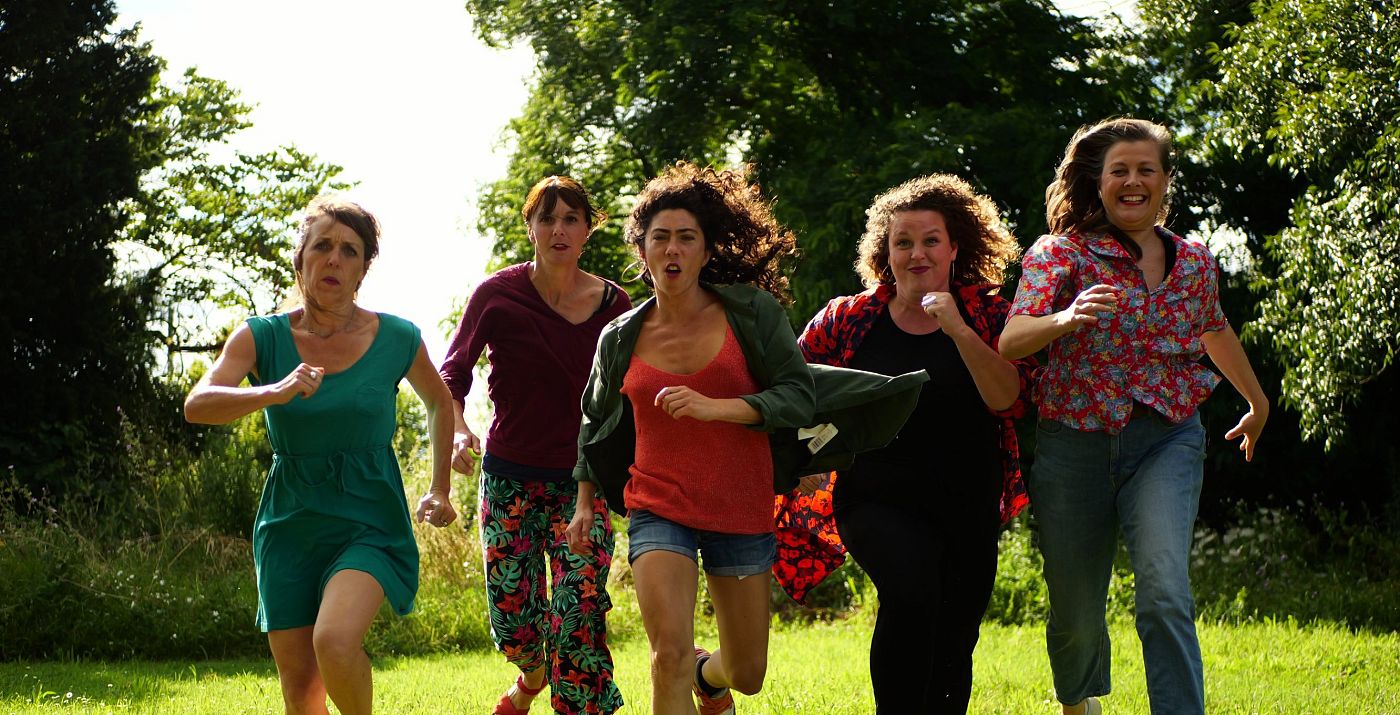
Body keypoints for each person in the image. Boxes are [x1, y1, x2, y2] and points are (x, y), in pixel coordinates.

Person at [999, 118, 1269, 715]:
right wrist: (1065, 318)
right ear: (1097, 183)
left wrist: (1258, 401)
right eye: (1119, 170)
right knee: (1075, 608)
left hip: (1166, 438)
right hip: (1075, 444)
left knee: (1165, 590)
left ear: (1165, 180)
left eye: (1146, 169)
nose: (1133, 181)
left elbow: (1213, 327)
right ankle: (1079, 703)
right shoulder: (1060, 254)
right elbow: (1012, 339)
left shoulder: (1194, 260)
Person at [771, 174, 1035, 714]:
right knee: (912, 595)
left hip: (968, 500)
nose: (917, 254)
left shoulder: (989, 315)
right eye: (903, 242)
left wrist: (957, 328)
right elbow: (791, 387)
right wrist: (804, 455)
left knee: (956, 633)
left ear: (955, 247)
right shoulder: (849, 318)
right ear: (884, 252)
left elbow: (1008, 399)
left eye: (931, 240)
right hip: (874, 498)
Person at [183, 196, 456, 715]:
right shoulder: (261, 337)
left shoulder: (397, 337)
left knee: (334, 640)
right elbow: (198, 405)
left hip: (369, 520)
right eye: (322, 246)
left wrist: (439, 488)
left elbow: (440, 403)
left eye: (350, 251)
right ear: (300, 258)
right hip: (290, 523)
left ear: (363, 270)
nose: (334, 259)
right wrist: (274, 391)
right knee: (301, 690)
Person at [567, 162, 813, 715]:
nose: (672, 249)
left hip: (740, 503)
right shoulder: (619, 337)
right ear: (643, 251)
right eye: (660, 238)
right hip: (658, 504)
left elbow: (799, 395)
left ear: (706, 251)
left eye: (686, 237)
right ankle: (687, 668)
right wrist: (584, 503)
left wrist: (716, 408)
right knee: (668, 654)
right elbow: (592, 419)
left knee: (747, 672)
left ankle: (710, 675)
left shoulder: (750, 312)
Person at [439, 176, 629, 715]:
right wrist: (458, 430)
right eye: (547, 218)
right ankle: (532, 673)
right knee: (516, 625)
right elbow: (451, 377)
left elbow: (630, 391)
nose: (558, 230)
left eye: (571, 219)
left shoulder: (614, 305)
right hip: (508, 481)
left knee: (577, 616)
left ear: (588, 230)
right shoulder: (496, 295)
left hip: (581, 485)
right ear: (530, 229)